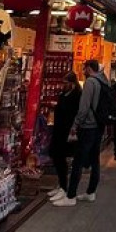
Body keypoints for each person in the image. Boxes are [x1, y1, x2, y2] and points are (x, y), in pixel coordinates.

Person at [53, 59, 110, 207]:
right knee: (95, 160)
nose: (83, 71)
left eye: (84, 68)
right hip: (99, 126)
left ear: (89, 68)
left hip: (88, 127)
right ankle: (91, 192)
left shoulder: (91, 83)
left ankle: (70, 196)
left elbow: (84, 108)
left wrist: (75, 124)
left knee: (78, 161)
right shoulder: (104, 81)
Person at [46, 72, 82, 201]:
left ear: (72, 84)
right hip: (58, 129)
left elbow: (75, 113)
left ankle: (64, 186)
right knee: (56, 156)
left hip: (67, 131)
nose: (63, 85)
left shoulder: (77, 95)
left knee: (61, 157)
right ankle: (61, 184)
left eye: (66, 83)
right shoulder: (63, 94)